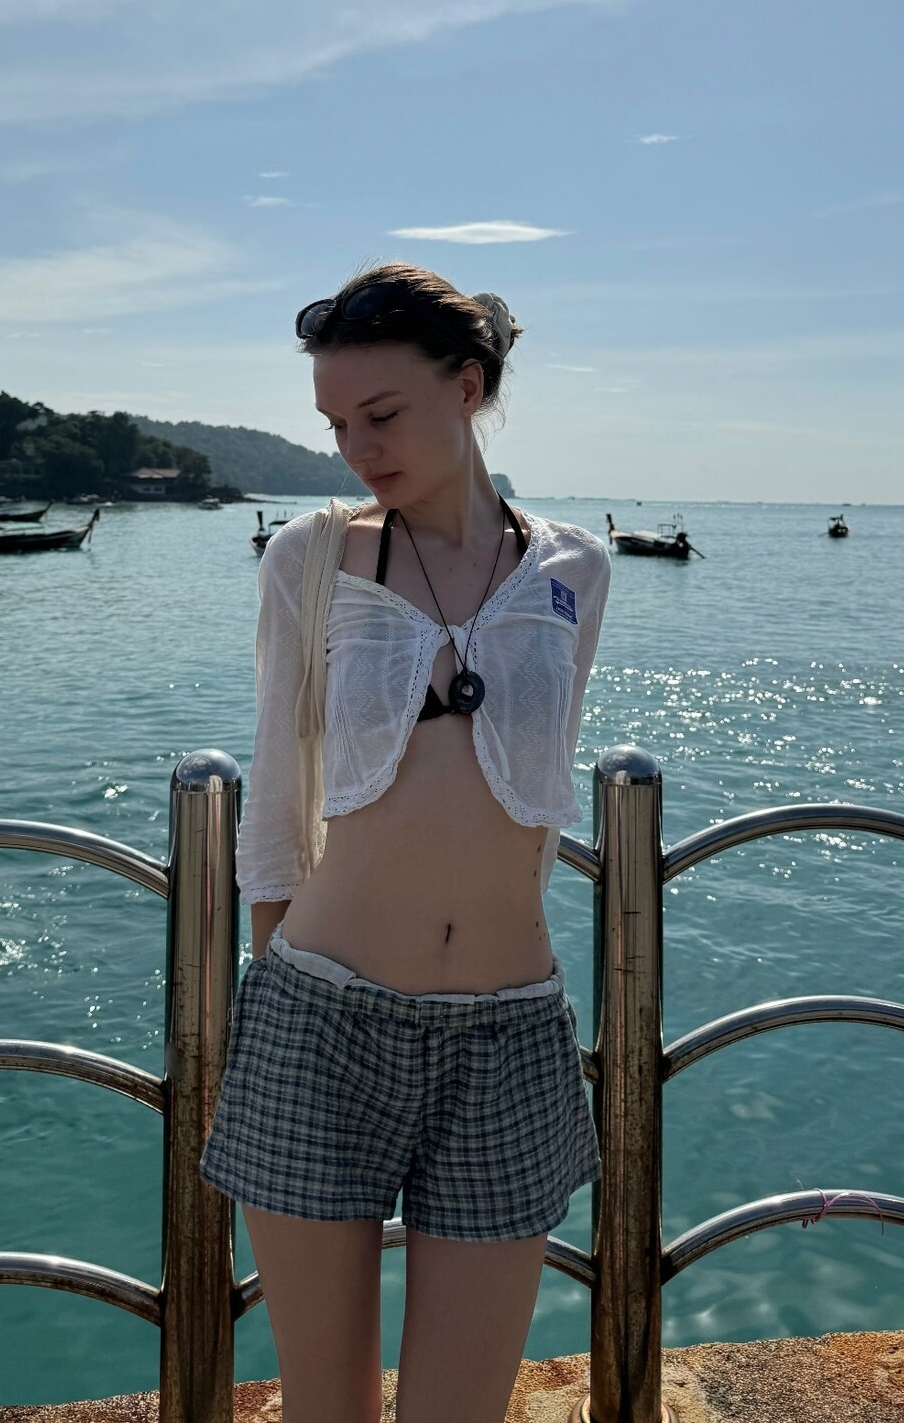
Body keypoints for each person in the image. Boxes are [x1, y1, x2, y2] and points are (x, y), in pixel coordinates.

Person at [200, 261, 611, 1423]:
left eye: (380, 414)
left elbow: (534, 794)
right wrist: (271, 1001)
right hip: (322, 1015)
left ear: (466, 386)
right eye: (336, 424)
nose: (357, 448)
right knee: (325, 1407)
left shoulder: (575, 568)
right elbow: (279, 799)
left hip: (510, 1030)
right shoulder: (311, 557)